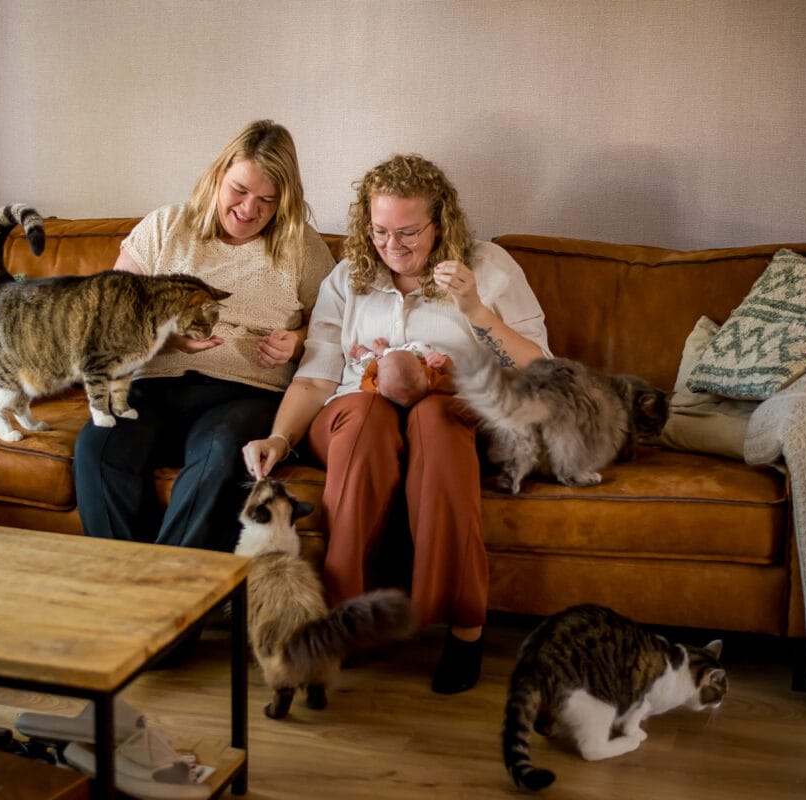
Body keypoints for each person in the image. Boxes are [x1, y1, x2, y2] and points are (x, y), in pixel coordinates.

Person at [242, 153, 551, 694]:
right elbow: (316, 379)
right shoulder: (347, 278)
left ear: (441, 224)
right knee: (366, 417)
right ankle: (346, 617)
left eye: (409, 232)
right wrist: (279, 436)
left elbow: (541, 371)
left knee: (434, 420)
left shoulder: (490, 267)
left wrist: (476, 310)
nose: (394, 246)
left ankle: (464, 624)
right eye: (380, 230)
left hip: (454, 410)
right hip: (354, 414)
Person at [74, 120, 334, 555]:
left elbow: (333, 326)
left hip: (245, 394)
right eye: (239, 190)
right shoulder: (165, 227)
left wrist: (298, 339)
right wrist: (166, 336)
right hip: (154, 386)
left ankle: (174, 593)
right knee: (98, 446)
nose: (249, 209)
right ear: (217, 176)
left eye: (267, 201)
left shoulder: (300, 247)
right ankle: (121, 585)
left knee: (218, 456)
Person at [349, 338, 453, 407]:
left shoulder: (375, 386)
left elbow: (365, 379)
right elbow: (455, 380)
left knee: (368, 362)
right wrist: (444, 362)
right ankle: (385, 351)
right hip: (401, 363)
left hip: (382, 367)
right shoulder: (434, 382)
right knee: (418, 351)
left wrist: (375, 363)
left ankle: (376, 352)